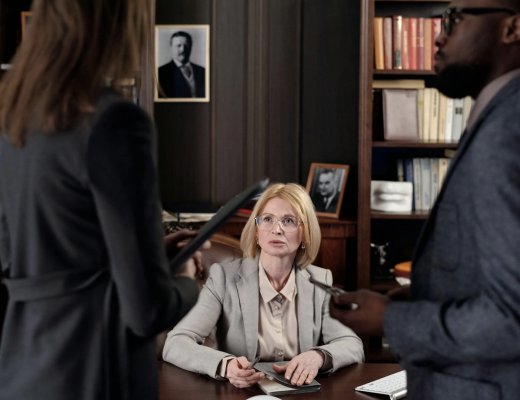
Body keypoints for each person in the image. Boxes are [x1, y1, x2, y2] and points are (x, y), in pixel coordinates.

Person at [0, 1, 209, 399]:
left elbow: (20, 260)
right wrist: (186, 283)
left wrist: (144, 256)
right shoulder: (115, 121)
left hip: (23, 366)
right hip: (96, 370)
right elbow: (146, 311)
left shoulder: (11, 115)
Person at [329, 2, 520, 399]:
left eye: (453, 19)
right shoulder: (496, 117)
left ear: (513, 28)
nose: (437, 35)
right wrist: (428, 292)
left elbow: (511, 318)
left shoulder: (506, 133)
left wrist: (392, 320)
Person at [163, 183, 364, 389]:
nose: (277, 229)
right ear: (257, 231)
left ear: (304, 234)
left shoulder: (320, 280)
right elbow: (176, 342)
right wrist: (225, 365)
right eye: (267, 219)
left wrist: (318, 357)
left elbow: (352, 344)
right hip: (243, 394)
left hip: (301, 394)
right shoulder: (223, 278)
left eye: (288, 221)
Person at [158, 31, 206, 98]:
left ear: (191, 46)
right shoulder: (161, 73)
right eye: (179, 45)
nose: (183, 49)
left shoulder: (203, 71)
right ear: (171, 47)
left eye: (186, 45)